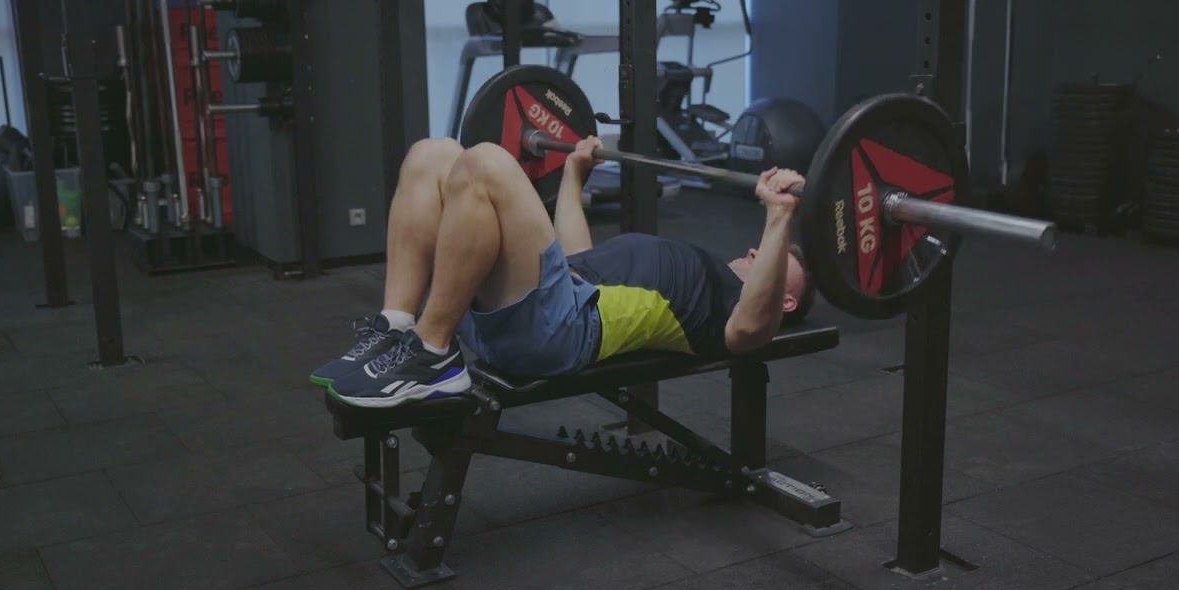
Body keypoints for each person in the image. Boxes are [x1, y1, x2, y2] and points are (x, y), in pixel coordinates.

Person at [310, 136, 816, 408]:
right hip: (554, 299)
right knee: (432, 154)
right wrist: (574, 176)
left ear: (786, 300)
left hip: (560, 331)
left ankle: (432, 353)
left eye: (774, 260)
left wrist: (779, 218)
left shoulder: (734, 309)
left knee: (486, 163)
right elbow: (576, 257)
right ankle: (396, 328)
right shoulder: (699, 269)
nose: (757, 252)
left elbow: (752, 330)